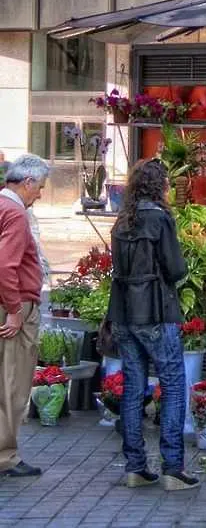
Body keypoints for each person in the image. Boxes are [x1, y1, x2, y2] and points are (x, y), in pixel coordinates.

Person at [107, 159, 198, 490]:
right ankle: (172, 468)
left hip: (123, 312)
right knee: (173, 384)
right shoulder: (160, 219)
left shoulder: (122, 221)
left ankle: (135, 466)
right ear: (159, 187)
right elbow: (175, 269)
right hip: (156, 311)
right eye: (168, 184)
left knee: (133, 385)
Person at [0, 154, 49, 477]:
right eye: (40, 187)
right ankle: (6, 457)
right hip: (14, 305)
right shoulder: (16, 214)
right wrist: (16, 311)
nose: (41, 194)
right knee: (13, 385)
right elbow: (6, 265)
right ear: (27, 182)